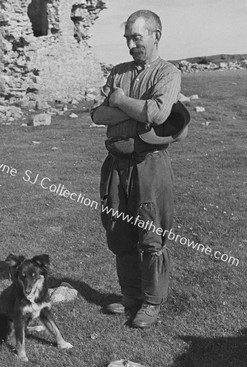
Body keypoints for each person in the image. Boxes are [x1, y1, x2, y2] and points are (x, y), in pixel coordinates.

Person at [91, 10, 186, 328]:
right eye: (128, 38)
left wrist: (118, 100)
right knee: (118, 231)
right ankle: (130, 295)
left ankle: (151, 301)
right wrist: (131, 106)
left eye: (138, 37)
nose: (132, 43)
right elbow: (97, 116)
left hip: (149, 165)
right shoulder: (117, 73)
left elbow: (158, 115)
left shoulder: (168, 74)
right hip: (116, 165)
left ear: (156, 35)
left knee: (150, 233)